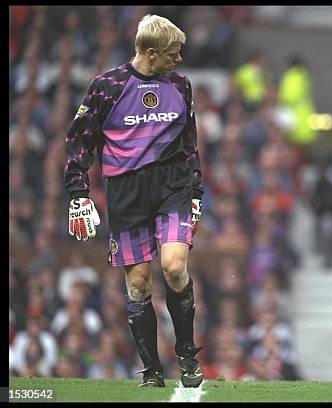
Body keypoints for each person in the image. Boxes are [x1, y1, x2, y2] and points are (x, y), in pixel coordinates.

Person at [64, 14, 204, 388]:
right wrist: (77, 191)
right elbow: (79, 139)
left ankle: (187, 356)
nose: (179, 59)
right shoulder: (106, 86)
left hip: (172, 186)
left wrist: (196, 191)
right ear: (153, 52)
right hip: (126, 193)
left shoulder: (181, 85)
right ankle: (152, 370)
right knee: (139, 284)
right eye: (174, 53)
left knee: (174, 268)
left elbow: (190, 143)